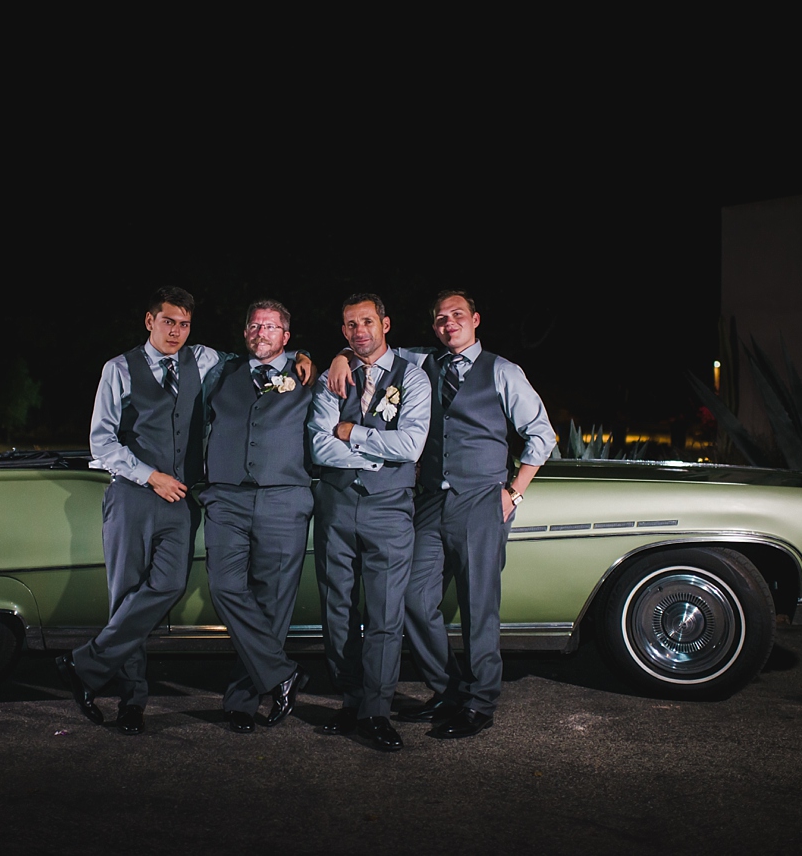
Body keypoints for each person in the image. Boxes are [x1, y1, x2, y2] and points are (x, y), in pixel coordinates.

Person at [56, 286, 311, 735]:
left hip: (181, 500)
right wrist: (149, 475)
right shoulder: (118, 368)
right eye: (168, 321)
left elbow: (263, 353)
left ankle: (84, 667)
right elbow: (102, 442)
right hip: (133, 494)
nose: (176, 331)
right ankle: (131, 701)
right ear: (149, 321)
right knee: (127, 597)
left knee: (169, 585)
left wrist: (306, 355)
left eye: (184, 324)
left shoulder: (206, 360)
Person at [329, 290, 555, 738]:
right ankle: (449, 691)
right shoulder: (421, 362)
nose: (448, 324)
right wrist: (340, 355)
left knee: (478, 605)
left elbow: (541, 435)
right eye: (440, 319)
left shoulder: (502, 371)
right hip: (432, 500)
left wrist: (513, 492)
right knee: (412, 597)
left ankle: (480, 703)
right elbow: (372, 348)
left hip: (482, 499)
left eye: (457, 315)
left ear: (475, 319)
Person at [309, 293, 430, 751]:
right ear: (343, 332)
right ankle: (351, 699)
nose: (359, 331)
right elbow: (319, 445)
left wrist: (352, 433)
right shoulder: (333, 377)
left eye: (367, 322)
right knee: (337, 607)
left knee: (384, 612)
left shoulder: (413, 377)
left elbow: (411, 445)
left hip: (389, 510)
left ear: (385, 324)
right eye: (350, 325)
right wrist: (376, 452)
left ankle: (376, 711)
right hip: (336, 505)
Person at [201, 299, 315, 734]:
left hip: (284, 499)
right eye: (253, 325)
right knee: (224, 587)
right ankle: (283, 674)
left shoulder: (309, 377)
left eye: (269, 327)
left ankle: (242, 701)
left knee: (273, 604)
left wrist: (324, 354)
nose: (260, 332)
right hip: (226, 498)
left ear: (286, 336)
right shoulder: (222, 372)